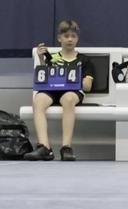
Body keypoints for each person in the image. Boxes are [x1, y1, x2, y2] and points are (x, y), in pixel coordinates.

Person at [23, 20, 96, 161]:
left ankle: (66, 147)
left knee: (68, 99)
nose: (70, 39)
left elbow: (87, 86)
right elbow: (44, 78)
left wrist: (70, 79)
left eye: (73, 36)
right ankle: (44, 148)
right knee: (38, 100)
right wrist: (41, 59)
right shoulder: (52, 58)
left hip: (73, 92)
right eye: (66, 36)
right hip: (53, 91)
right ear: (59, 38)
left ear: (77, 39)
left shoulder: (84, 60)